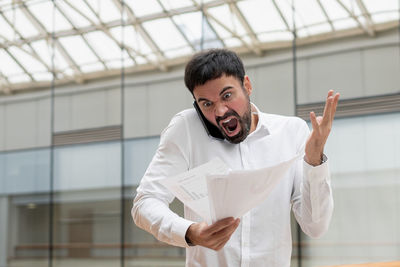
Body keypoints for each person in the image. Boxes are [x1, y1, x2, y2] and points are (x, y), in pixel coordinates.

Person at [132, 48, 340, 267]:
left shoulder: (291, 132)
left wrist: (314, 160)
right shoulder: (186, 129)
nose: (220, 112)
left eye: (227, 96)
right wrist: (190, 232)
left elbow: (315, 226)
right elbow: (145, 203)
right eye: (207, 104)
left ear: (247, 85)